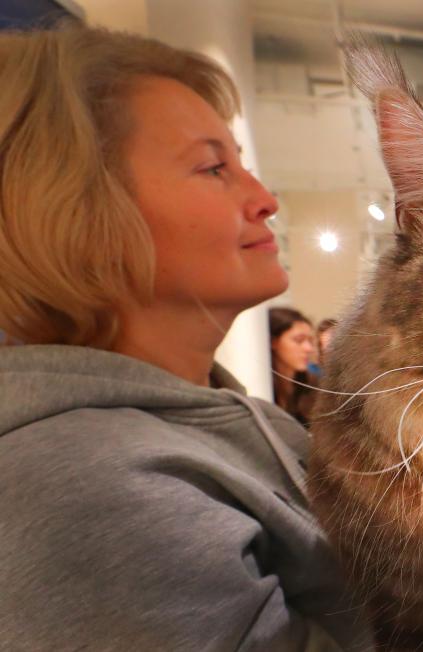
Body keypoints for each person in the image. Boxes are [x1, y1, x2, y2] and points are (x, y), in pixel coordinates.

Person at [0, 26, 371, 649]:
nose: (265, 201)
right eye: (213, 168)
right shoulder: (96, 488)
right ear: (75, 208)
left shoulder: (225, 422)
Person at [270, 307, 319, 427]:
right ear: (273, 342)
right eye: (299, 340)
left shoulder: (313, 385)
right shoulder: (259, 387)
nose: (309, 348)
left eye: (310, 341)